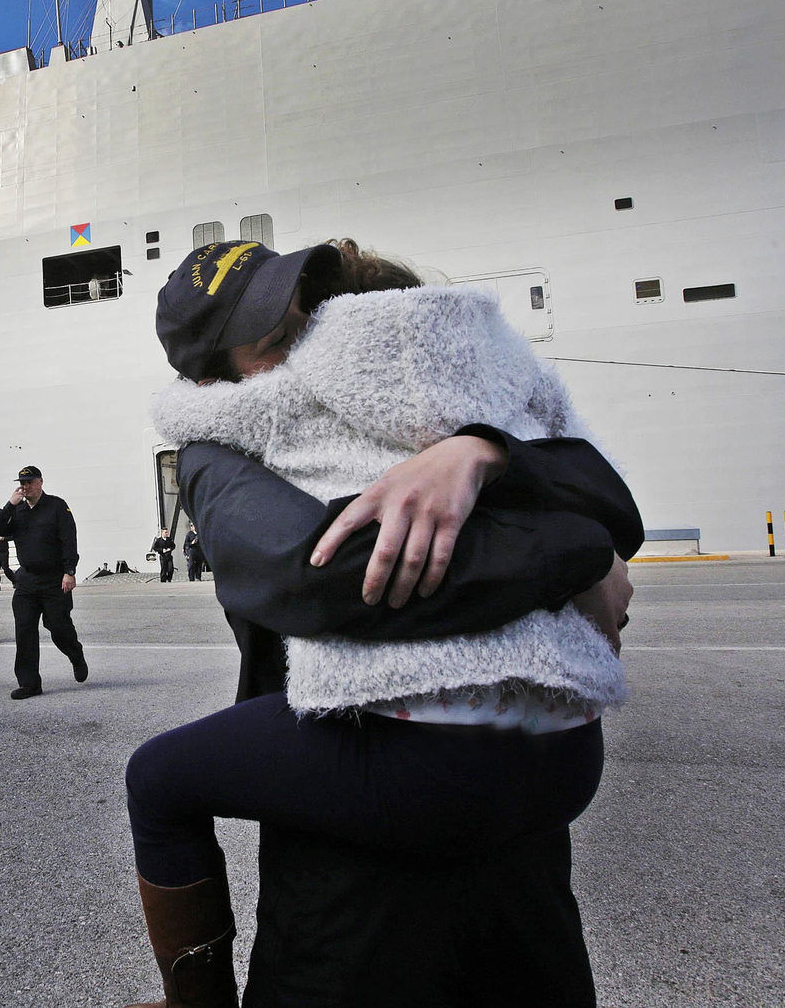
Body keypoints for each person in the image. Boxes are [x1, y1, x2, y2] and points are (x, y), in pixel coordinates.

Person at [118, 241, 641, 1006]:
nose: (311, 342)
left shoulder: (401, 398)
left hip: (437, 770)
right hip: (514, 757)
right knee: (162, 777)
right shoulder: (223, 446)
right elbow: (326, 572)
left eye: (310, 316)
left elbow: (603, 490)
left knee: (161, 777)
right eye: (275, 341)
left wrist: (480, 451)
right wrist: (583, 554)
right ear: (210, 377)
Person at [0, 465, 85, 700]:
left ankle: (75, 654)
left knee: (57, 627)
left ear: (40, 482)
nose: (25, 487)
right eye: (22, 483)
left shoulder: (56, 506)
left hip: (55, 578)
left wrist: (70, 571)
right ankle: (29, 683)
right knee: (24, 630)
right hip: (27, 579)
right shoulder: (18, 510)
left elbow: (69, 539)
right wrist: (10, 504)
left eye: (30, 482)